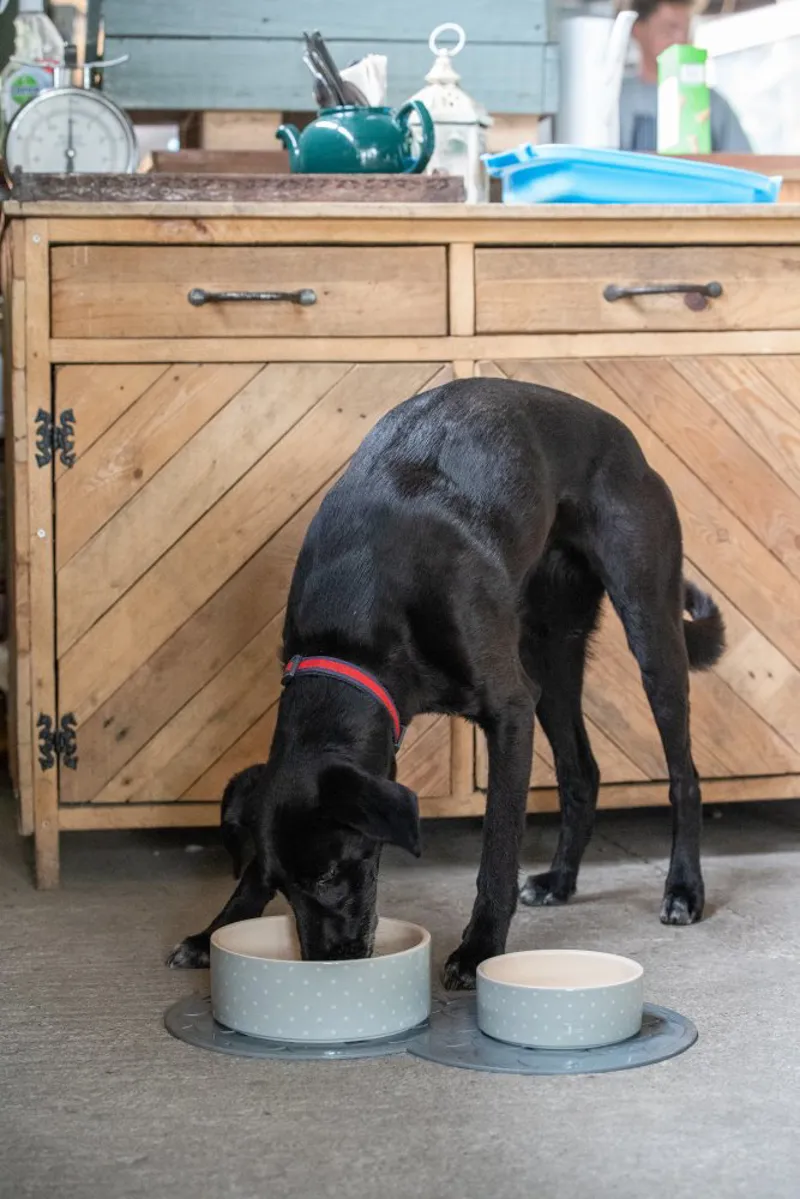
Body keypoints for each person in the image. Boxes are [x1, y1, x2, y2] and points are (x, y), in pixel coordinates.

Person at [619, 0, 751, 152]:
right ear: (637, 29)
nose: (681, 40)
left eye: (687, 31)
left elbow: (747, 166)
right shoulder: (615, 100)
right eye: (669, 29)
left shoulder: (713, 104)